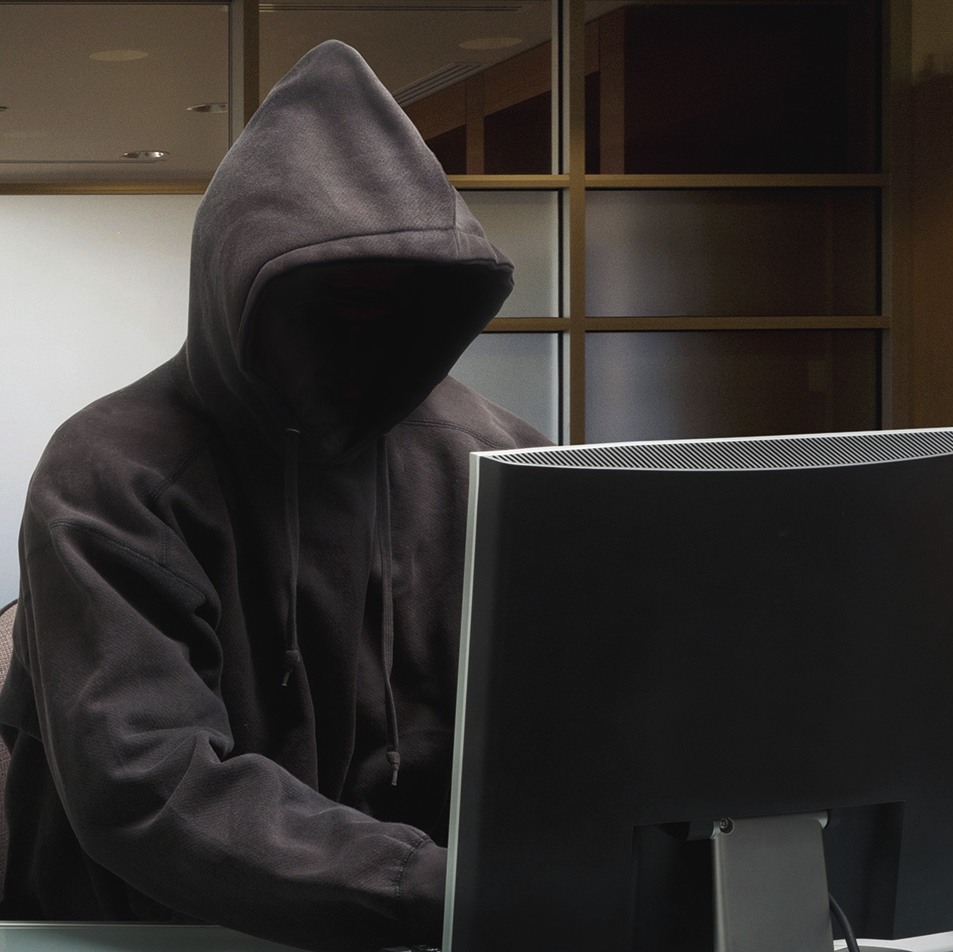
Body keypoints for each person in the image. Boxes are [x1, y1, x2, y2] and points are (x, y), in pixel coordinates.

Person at [0, 40, 548, 951]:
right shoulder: (111, 473)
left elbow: (578, 724)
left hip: (428, 930)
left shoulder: (498, 459)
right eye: (329, 298)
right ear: (240, 286)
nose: (359, 335)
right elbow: (148, 780)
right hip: (133, 935)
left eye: (393, 303)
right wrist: (445, 889)